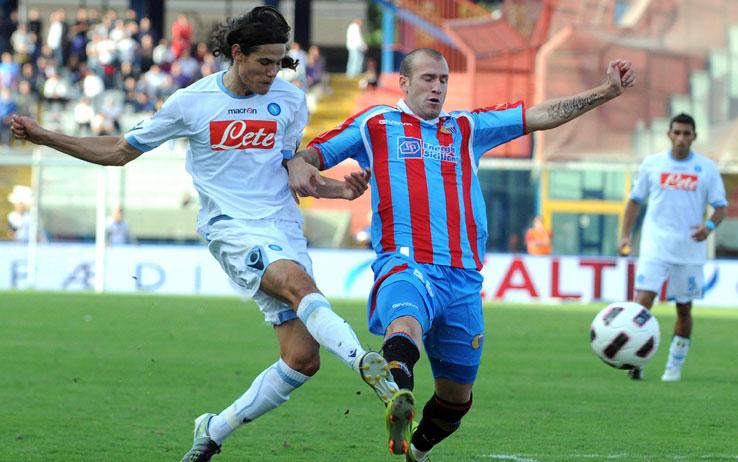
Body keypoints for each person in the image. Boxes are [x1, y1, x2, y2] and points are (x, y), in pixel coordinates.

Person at [10, 7, 399, 462]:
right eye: (264, 62)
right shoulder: (191, 102)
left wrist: (337, 188)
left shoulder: (291, 101)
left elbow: (289, 170)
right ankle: (369, 368)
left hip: (282, 227)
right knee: (299, 285)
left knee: (302, 358)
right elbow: (118, 150)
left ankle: (213, 429)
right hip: (231, 228)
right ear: (237, 53)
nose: (272, 73)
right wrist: (46, 136)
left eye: (279, 63)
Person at [287, 48, 635, 461]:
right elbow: (314, 154)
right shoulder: (376, 123)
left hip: (463, 278)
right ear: (404, 83)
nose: (437, 87)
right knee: (405, 325)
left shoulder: (467, 128)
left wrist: (605, 91)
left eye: (443, 80)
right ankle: (395, 394)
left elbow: (540, 115)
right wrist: (301, 164)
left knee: (455, 400)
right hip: (405, 261)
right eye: (428, 78)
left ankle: (416, 448)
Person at [619, 112, 727, 382]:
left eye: (686, 133)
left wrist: (708, 227)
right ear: (669, 134)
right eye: (676, 132)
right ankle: (635, 361)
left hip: (689, 249)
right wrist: (625, 236)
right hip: (655, 245)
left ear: (694, 137)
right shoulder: (652, 164)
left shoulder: (706, 168)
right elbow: (634, 201)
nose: (681, 138)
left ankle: (674, 367)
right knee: (642, 302)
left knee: (684, 308)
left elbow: (720, 207)